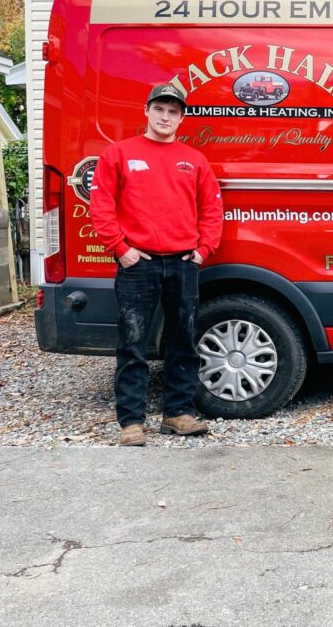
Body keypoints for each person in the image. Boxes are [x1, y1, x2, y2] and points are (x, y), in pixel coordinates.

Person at [90, 83, 224, 447]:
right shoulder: (118, 154)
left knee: (183, 340)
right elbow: (101, 205)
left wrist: (204, 248)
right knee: (132, 343)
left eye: (173, 111)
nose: (166, 117)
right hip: (139, 264)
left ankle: (177, 413)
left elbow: (212, 207)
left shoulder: (193, 159)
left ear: (181, 117)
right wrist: (120, 249)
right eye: (160, 109)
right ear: (146, 111)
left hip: (183, 263)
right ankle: (131, 422)